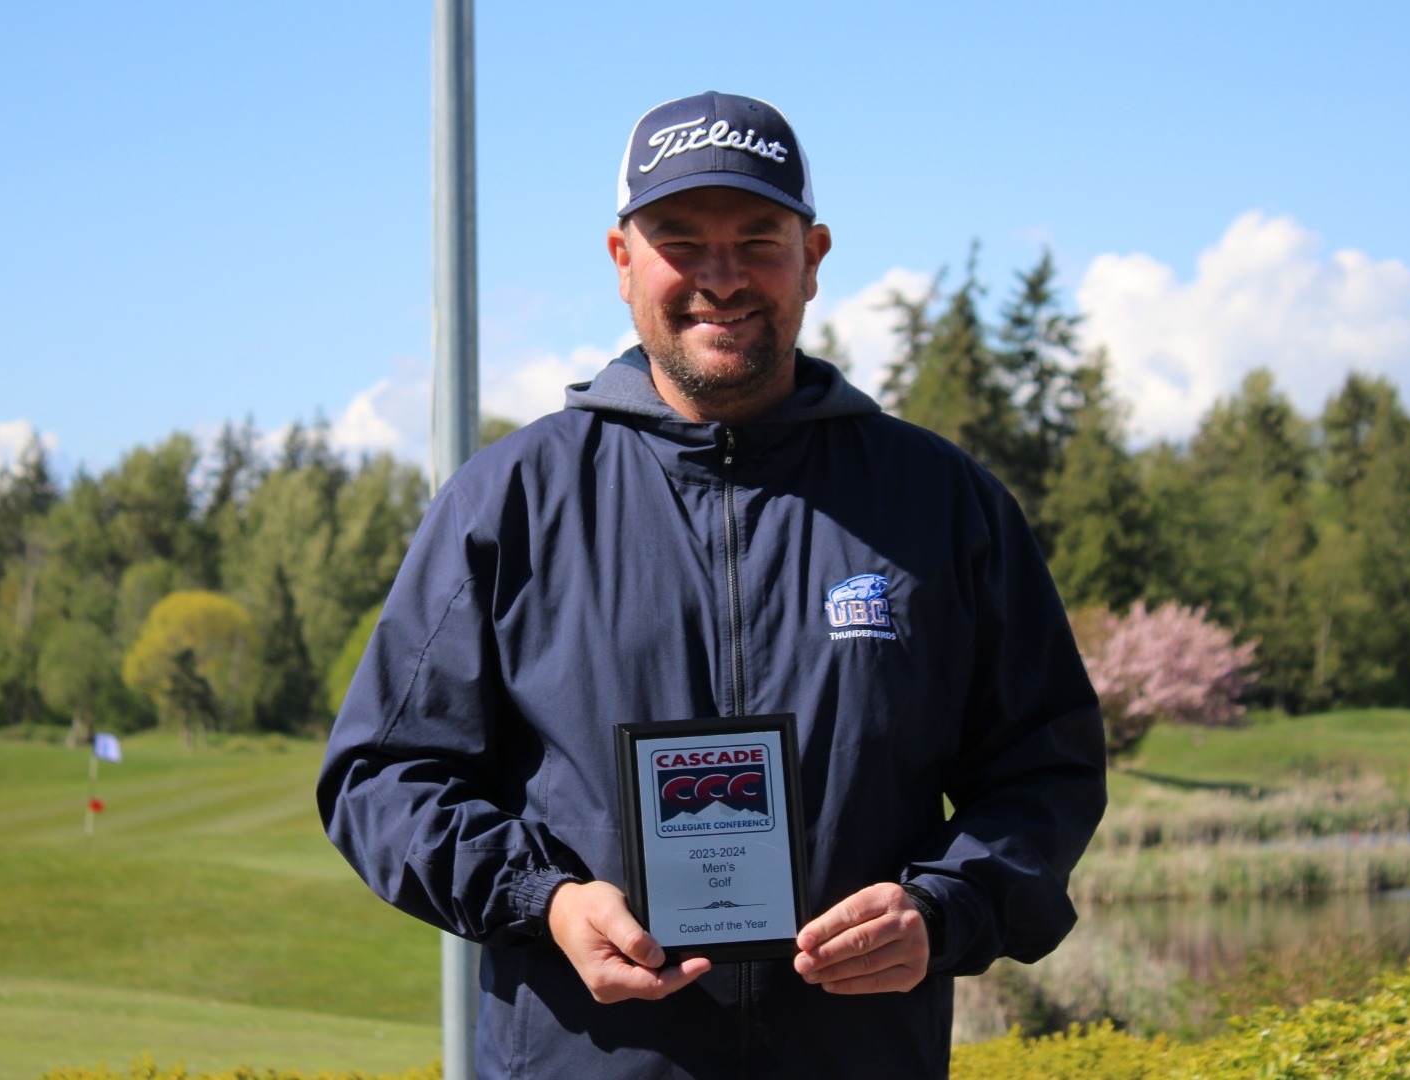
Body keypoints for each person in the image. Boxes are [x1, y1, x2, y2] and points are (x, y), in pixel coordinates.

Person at [318, 90, 1107, 1080]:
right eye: (680, 240)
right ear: (620, 262)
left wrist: (942, 908)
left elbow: (1045, 773)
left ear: (813, 257)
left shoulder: (941, 504)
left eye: (758, 239)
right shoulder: (508, 500)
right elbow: (380, 776)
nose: (719, 278)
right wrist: (545, 900)